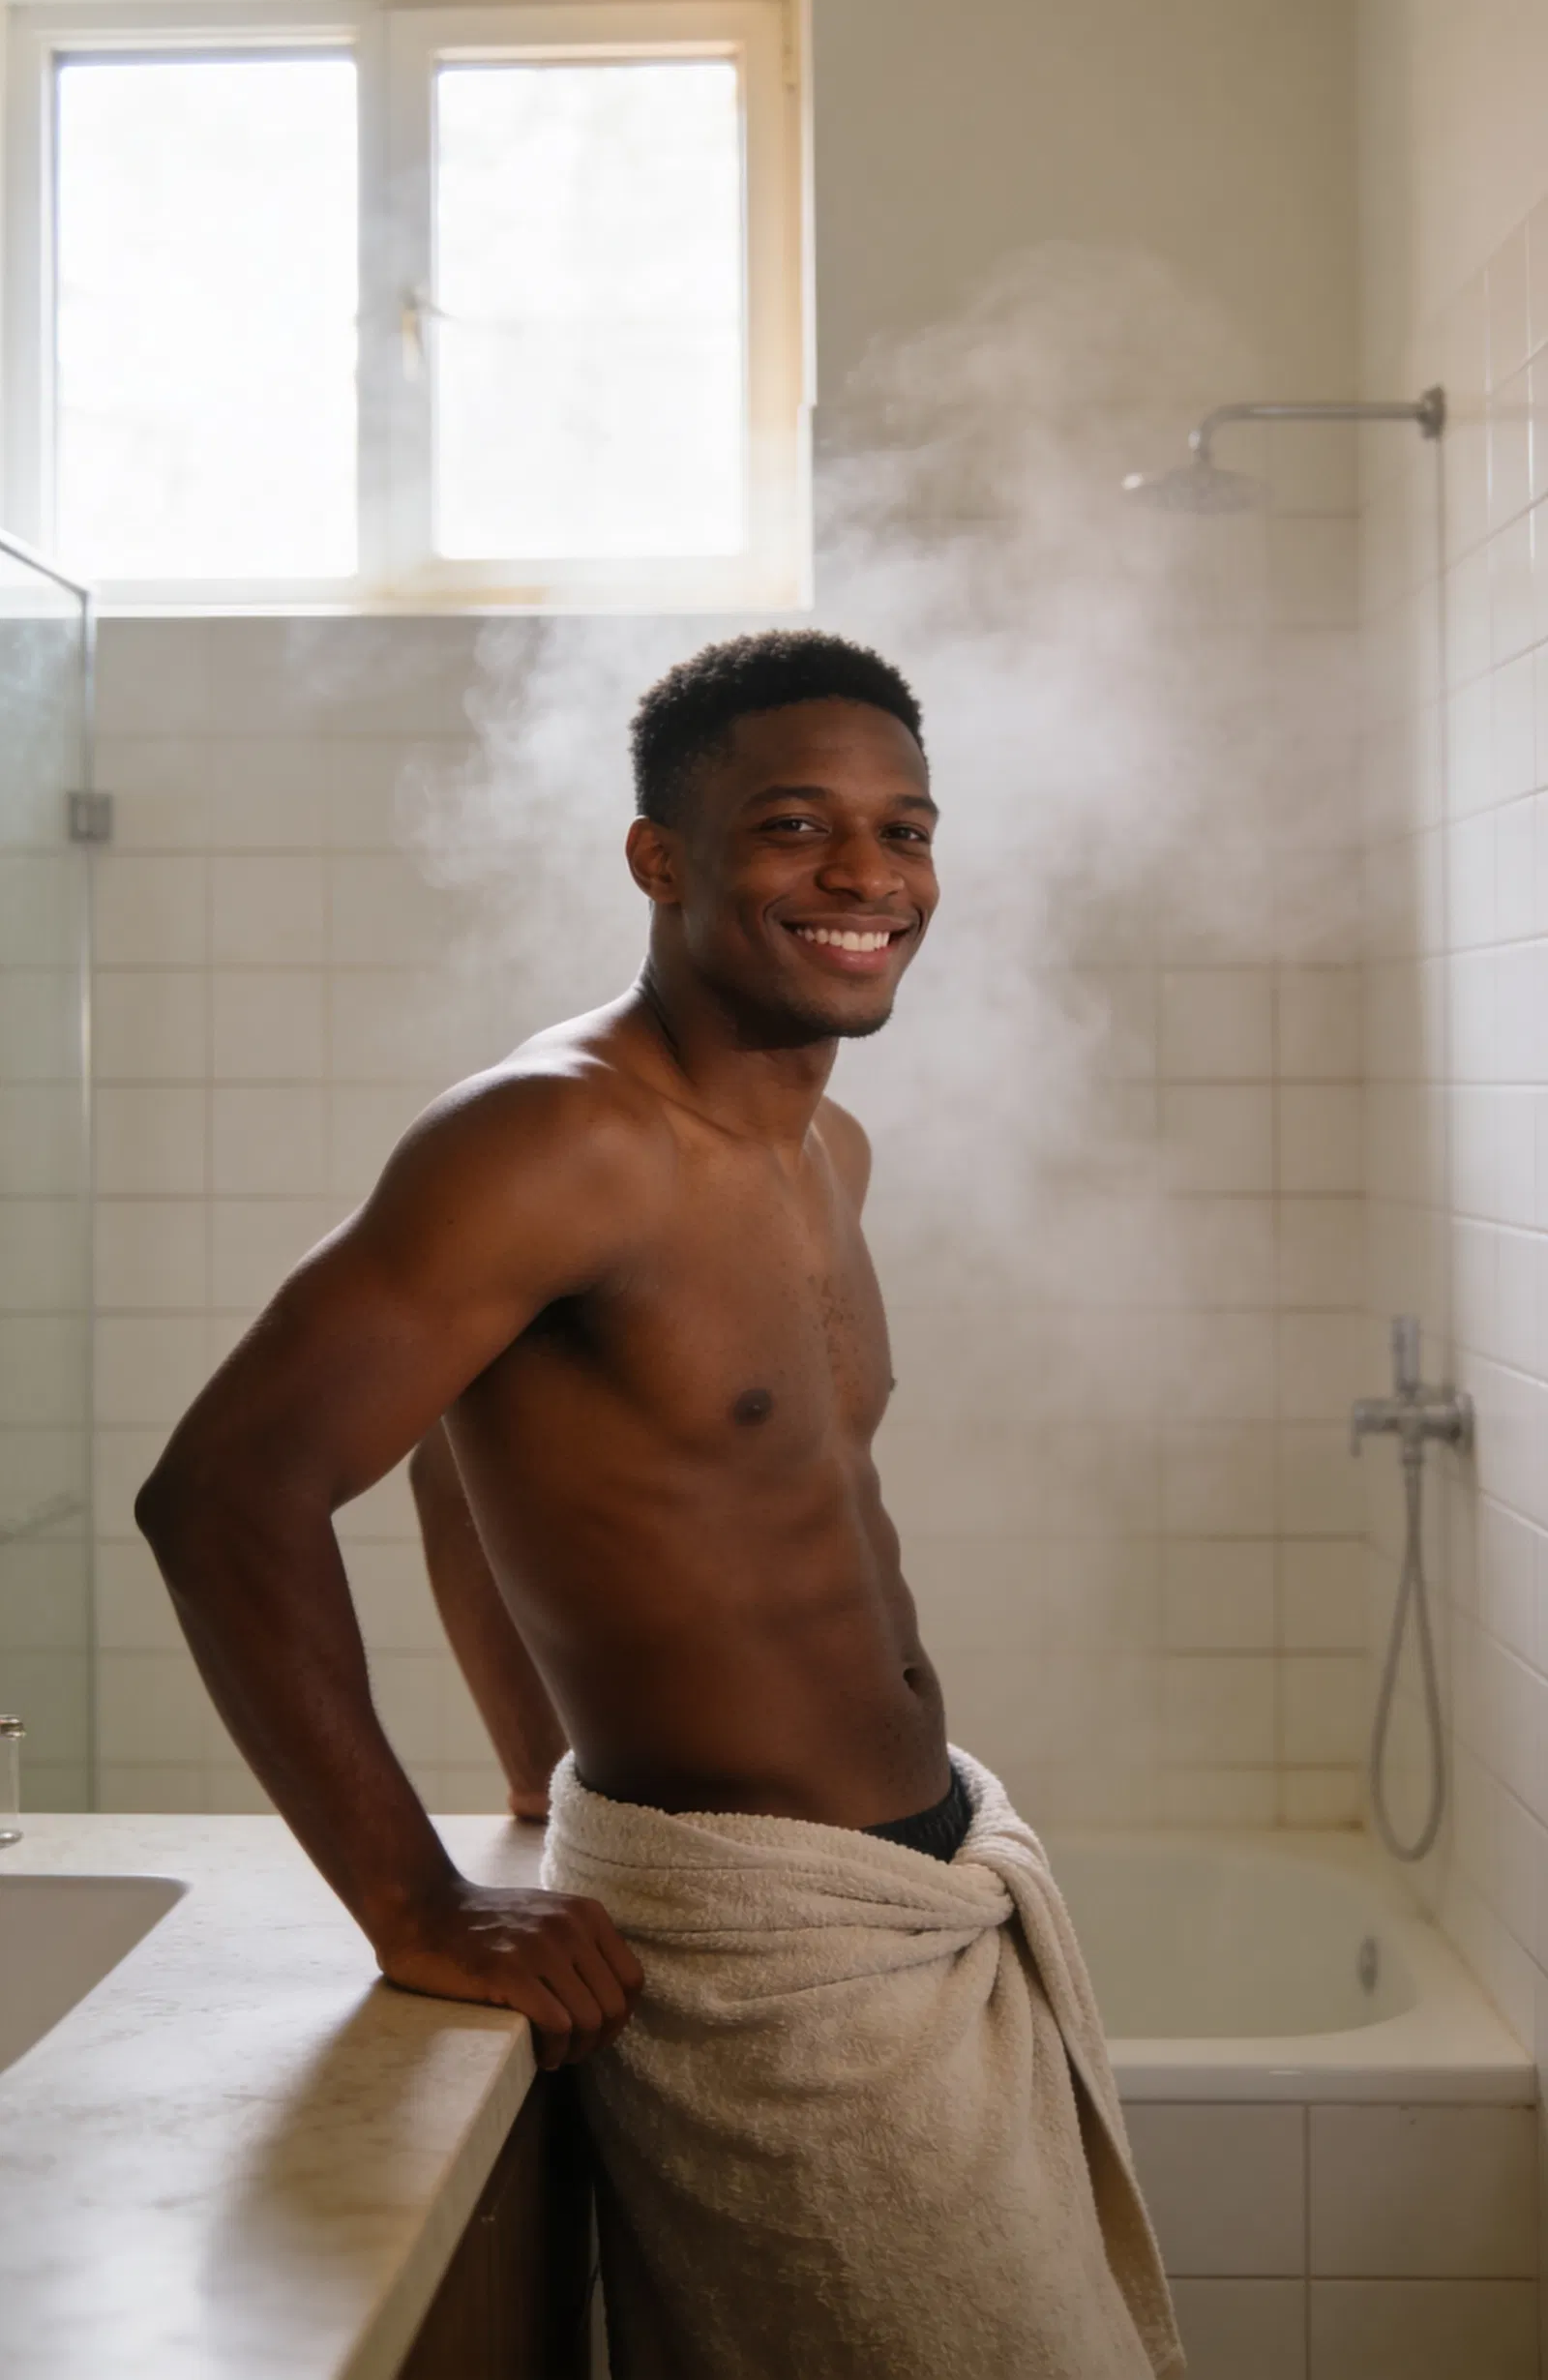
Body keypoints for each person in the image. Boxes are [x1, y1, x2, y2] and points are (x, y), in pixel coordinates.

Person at [137, 630, 1179, 2380]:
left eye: (904, 831)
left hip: (920, 1893)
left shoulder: (824, 1150)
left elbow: (457, 1463)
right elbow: (223, 1496)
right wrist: (413, 1901)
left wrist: (527, 1766)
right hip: (768, 1971)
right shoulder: (556, 1137)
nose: (867, 876)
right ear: (662, 859)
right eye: (797, 828)